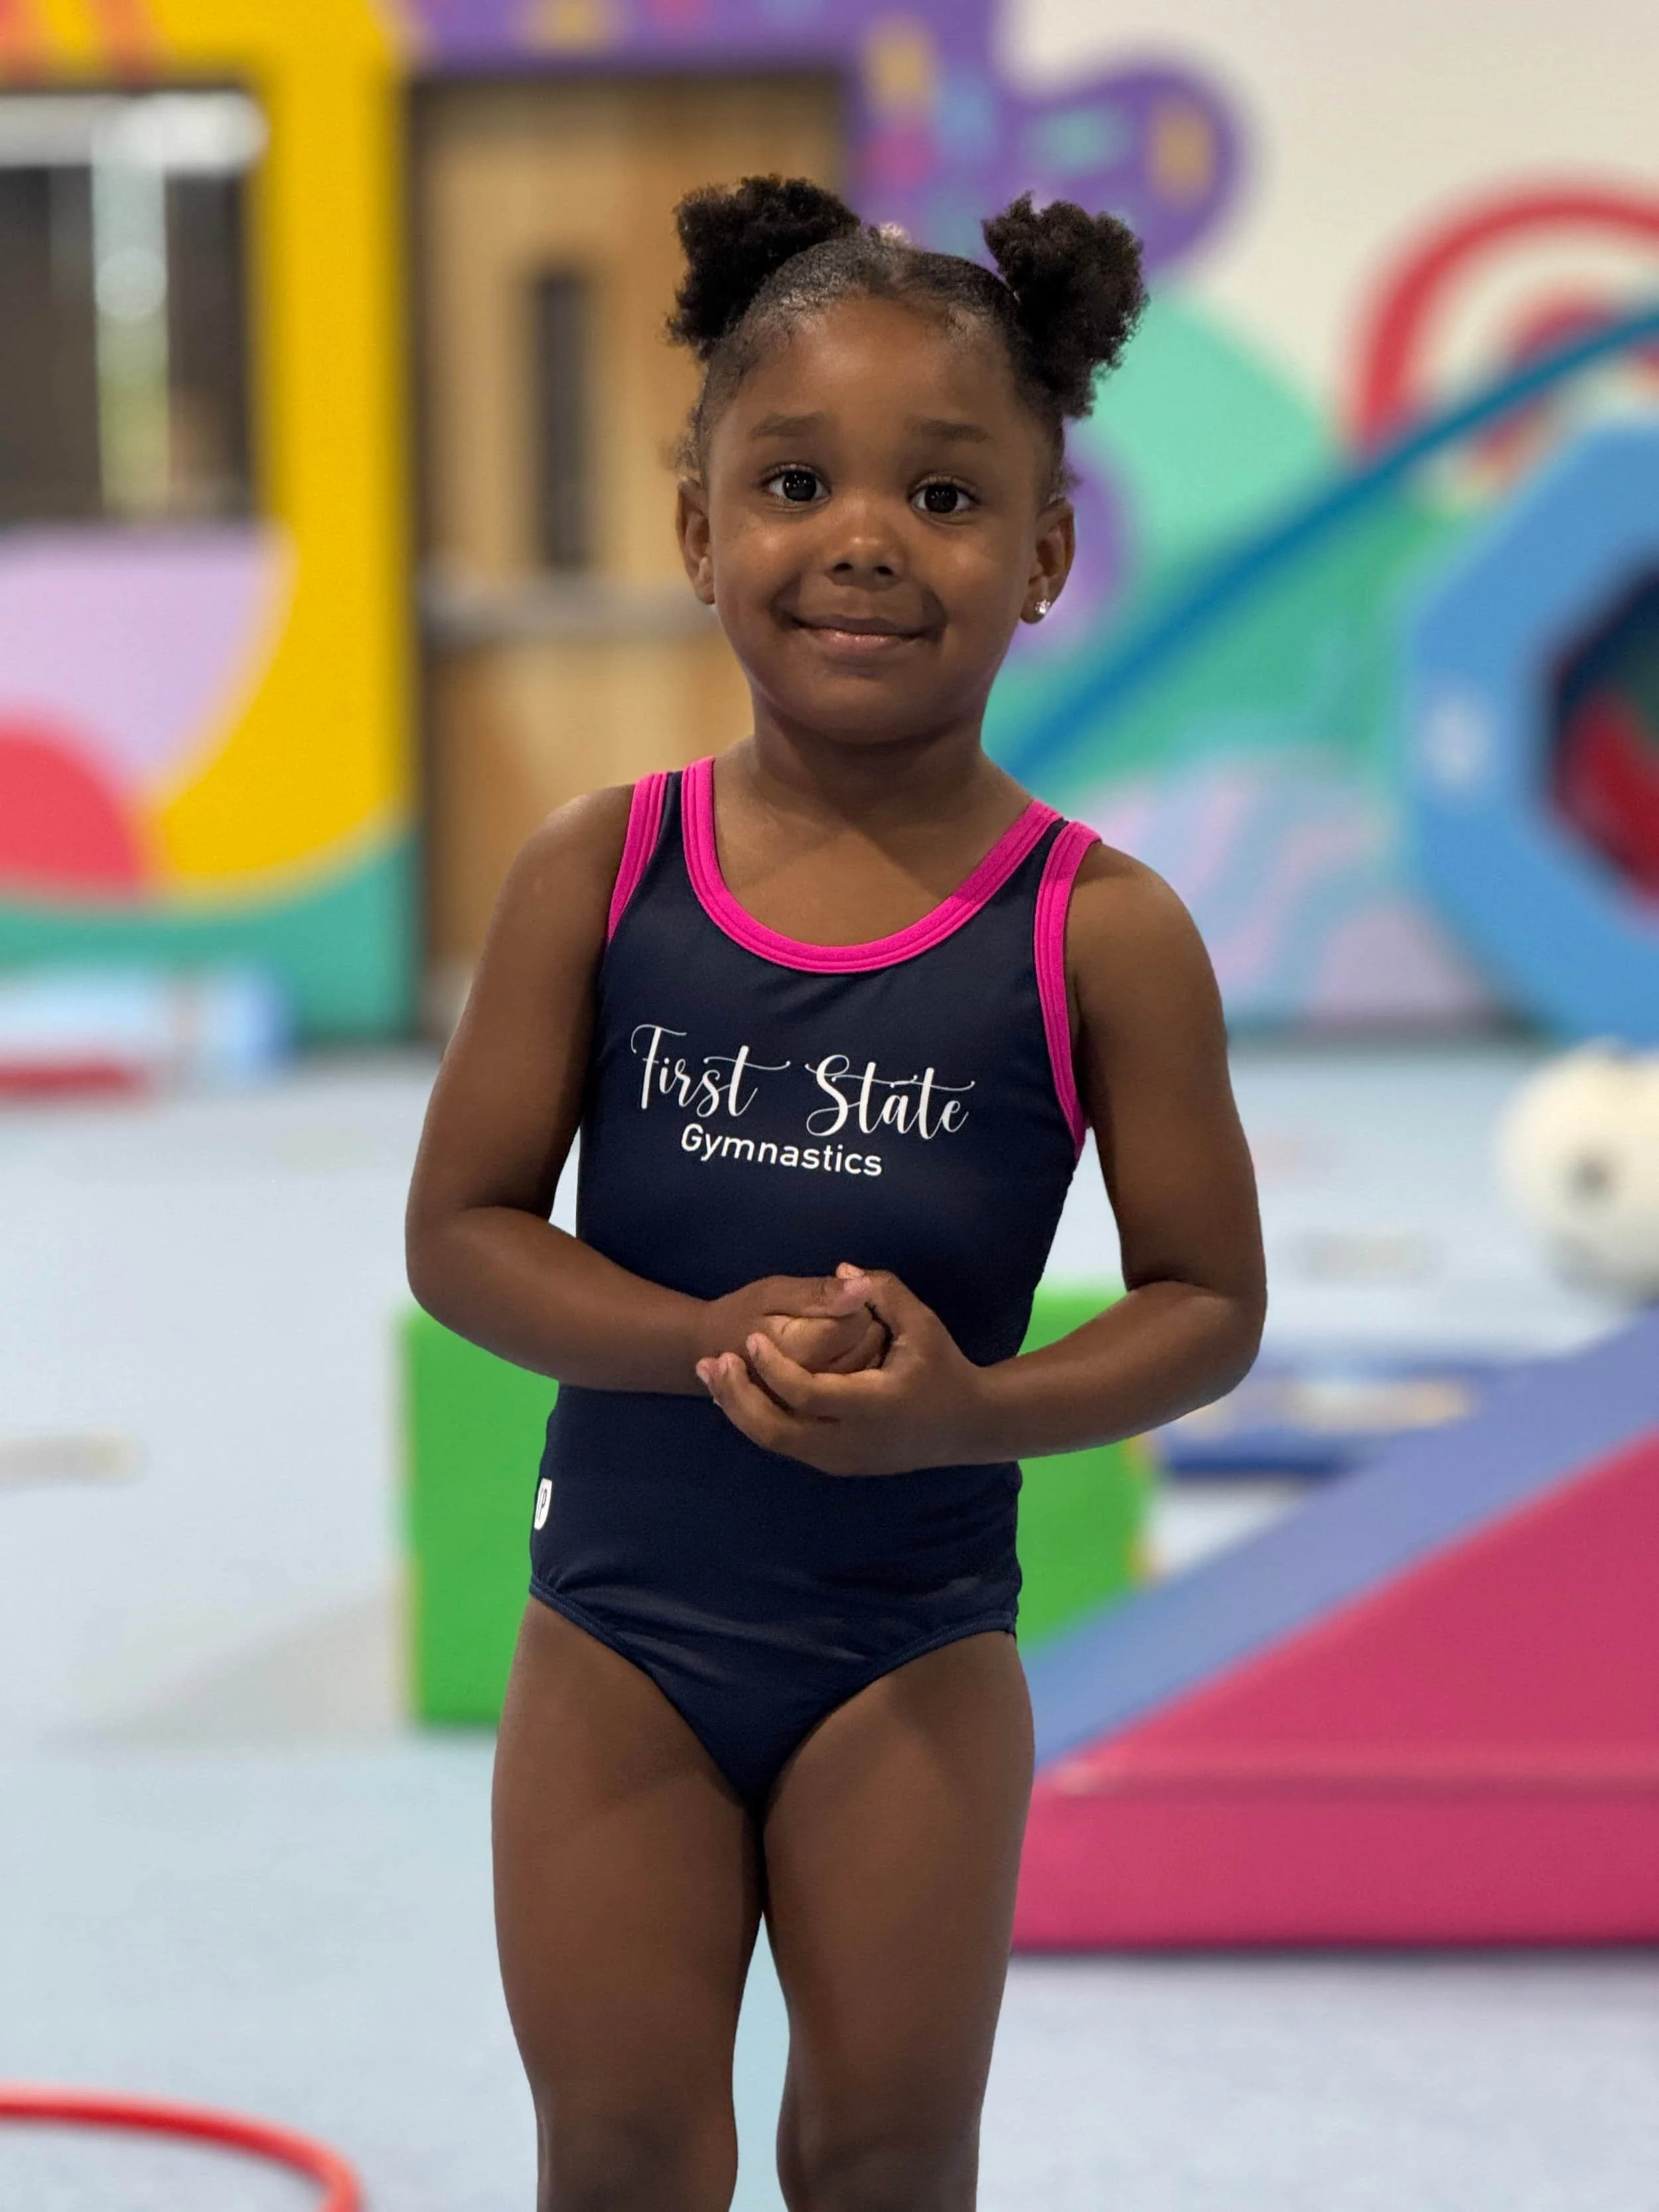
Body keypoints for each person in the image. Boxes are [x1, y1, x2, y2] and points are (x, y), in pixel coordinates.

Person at [405, 174, 1266, 2212]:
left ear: (1044, 554)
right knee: (616, 2145)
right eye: (793, 480)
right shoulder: (595, 870)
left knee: (883, 2148)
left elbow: (1208, 1301)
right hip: (618, 1626)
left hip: (909, 1647)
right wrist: (693, 1332)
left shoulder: (1104, 931)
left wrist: (973, 1408)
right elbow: (460, 1236)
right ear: (700, 529)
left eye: (947, 499)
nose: (864, 538)